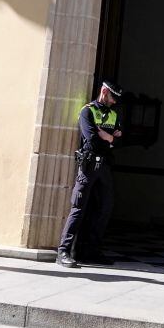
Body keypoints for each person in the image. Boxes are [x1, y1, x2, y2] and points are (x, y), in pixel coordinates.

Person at [56, 80, 123, 268]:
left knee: (104, 208)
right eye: (113, 97)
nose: (115, 102)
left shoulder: (114, 114)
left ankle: (91, 251)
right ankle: (64, 251)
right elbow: (91, 139)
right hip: (88, 166)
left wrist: (107, 137)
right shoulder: (87, 111)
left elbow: (120, 141)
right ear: (104, 91)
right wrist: (110, 139)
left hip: (105, 168)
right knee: (78, 208)